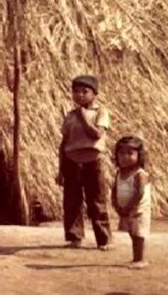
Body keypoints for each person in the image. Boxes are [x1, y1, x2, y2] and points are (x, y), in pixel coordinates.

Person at [55, 75, 112, 250]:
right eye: (76, 91)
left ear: (94, 94)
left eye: (85, 91)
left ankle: (103, 240)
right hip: (72, 161)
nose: (80, 95)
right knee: (72, 201)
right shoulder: (70, 116)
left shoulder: (100, 112)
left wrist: (83, 118)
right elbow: (64, 142)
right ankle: (75, 237)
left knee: (97, 201)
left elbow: (96, 134)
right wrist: (60, 168)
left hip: (92, 161)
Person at [111, 136, 151, 269]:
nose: (125, 157)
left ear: (139, 156)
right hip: (126, 209)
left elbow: (139, 193)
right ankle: (136, 258)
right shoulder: (119, 173)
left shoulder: (140, 174)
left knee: (139, 234)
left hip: (138, 210)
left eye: (130, 153)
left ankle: (141, 259)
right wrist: (116, 204)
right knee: (133, 233)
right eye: (122, 153)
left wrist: (129, 207)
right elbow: (114, 189)